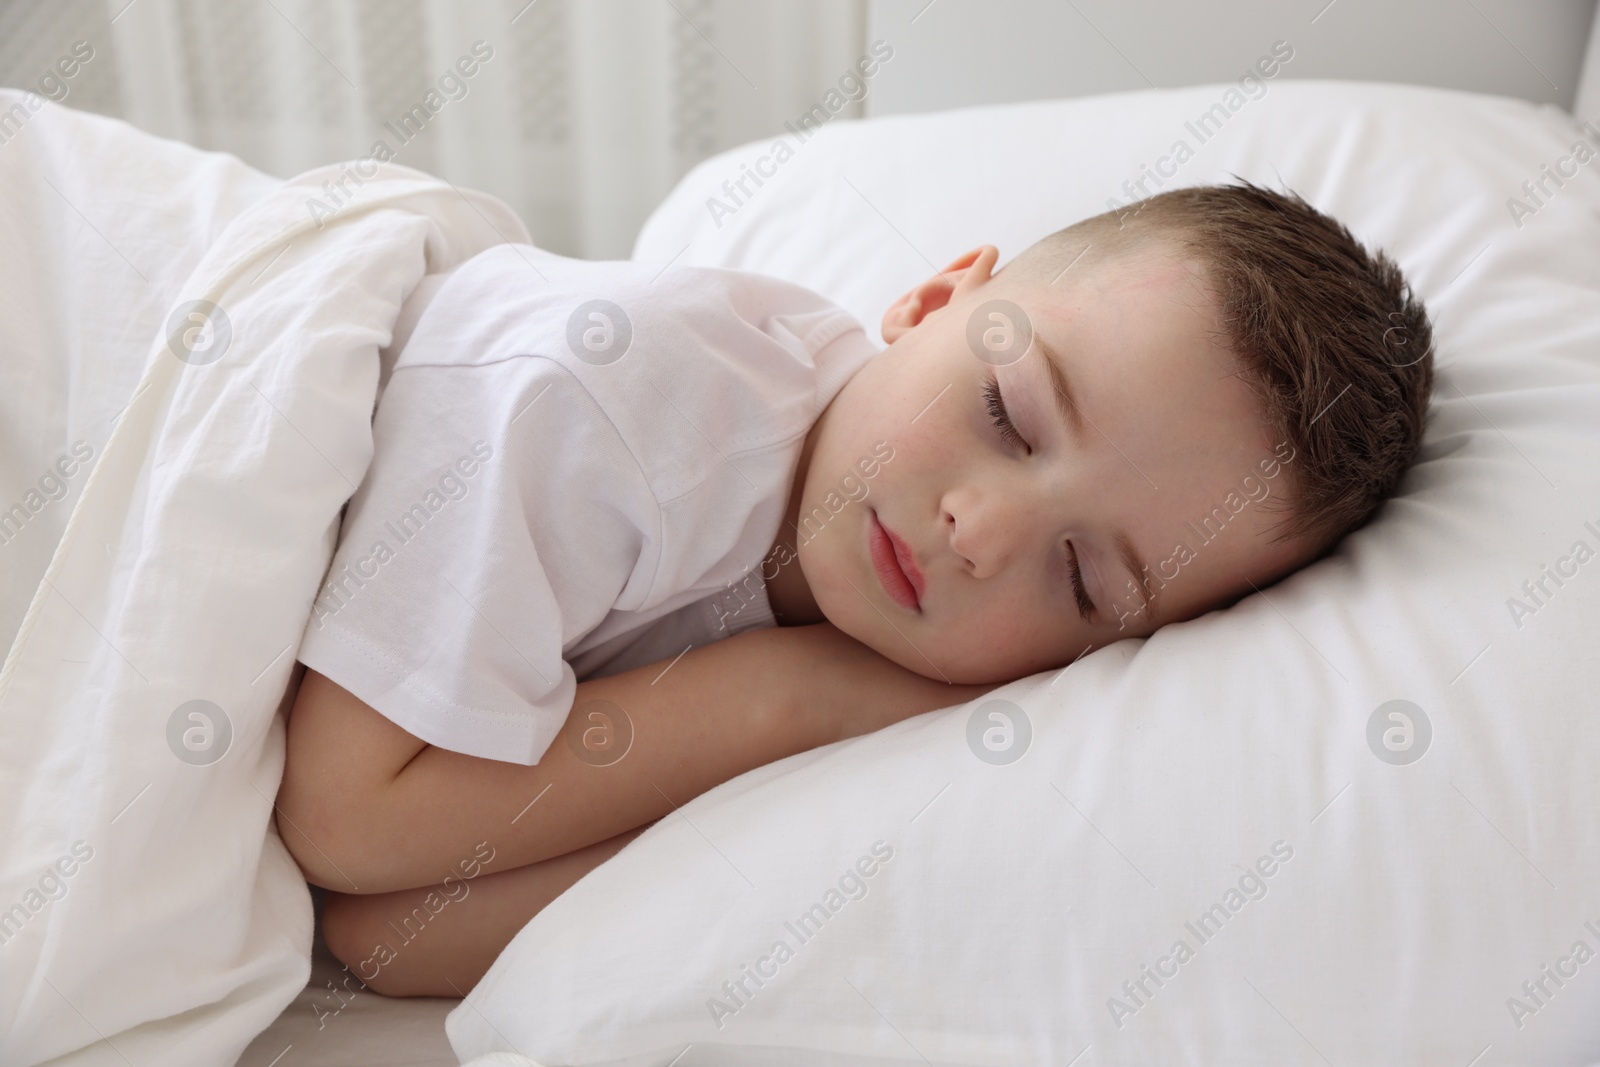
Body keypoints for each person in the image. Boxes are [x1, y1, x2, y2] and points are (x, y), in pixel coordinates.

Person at [274, 181, 1433, 997]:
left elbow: (384, 932)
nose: (979, 532)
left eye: (1080, 577)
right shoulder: (611, 396)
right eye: (1007, 414)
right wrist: (784, 699)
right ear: (932, 300)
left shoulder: (911, 710)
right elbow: (342, 818)